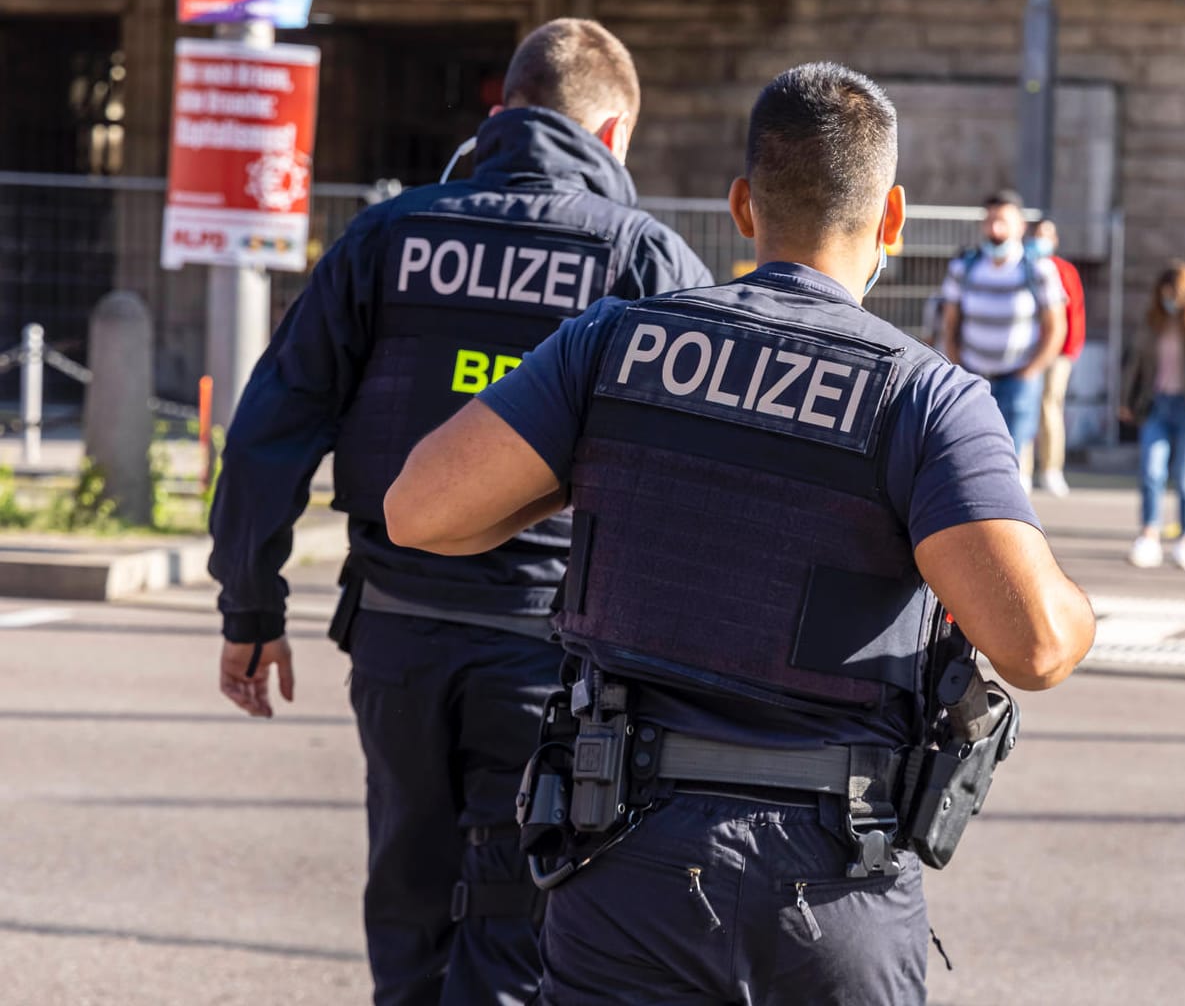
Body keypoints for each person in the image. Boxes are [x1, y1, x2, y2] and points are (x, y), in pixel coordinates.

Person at [384, 62, 1096, 1005]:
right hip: (832, 877)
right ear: (892, 220)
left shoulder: (615, 344)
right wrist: (1077, 606)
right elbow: (1037, 646)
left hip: (623, 858)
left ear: (742, 207)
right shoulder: (925, 396)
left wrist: (562, 483)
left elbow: (419, 511)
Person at [208, 18, 711, 1006]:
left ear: (502, 111)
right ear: (611, 135)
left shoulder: (388, 237)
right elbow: (700, 483)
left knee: (407, 900)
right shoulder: (642, 257)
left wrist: (250, 612)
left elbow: (272, 427)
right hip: (553, 652)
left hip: (397, 633)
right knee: (515, 922)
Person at [937, 190, 1067, 485]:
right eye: (990, 221)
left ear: (1020, 226)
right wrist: (958, 364)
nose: (995, 229)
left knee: (1012, 455)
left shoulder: (1038, 270)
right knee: (969, 451)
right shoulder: (964, 267)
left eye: (1003, 221)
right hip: (974, 375)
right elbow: (950, 321)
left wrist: (1031, 371)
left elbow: (1056, 326)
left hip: (1017, 379)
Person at [1121, 260, 1185, 571]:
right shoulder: (1152, 322)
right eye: (1166, 294)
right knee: (1151, 470)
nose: (1170, 301)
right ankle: (1149, 535)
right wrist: (1126, 400)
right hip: (1157, 404)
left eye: (1176, 294)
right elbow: (1135, 364)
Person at [1029, 217, 1086, 496]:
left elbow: (1073, 313)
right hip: (1028, 351)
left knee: (1050, 407)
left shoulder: (1064, 271)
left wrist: (1069, 349)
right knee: (1026, 408)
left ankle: (1051, 468)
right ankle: (1021, 469)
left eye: (1047, 235)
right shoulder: (1024, 267)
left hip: (1057, 352)